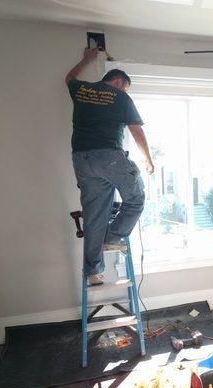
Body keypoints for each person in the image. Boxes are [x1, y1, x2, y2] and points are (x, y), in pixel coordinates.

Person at [66, 48, 154, 285]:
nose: (124, 91)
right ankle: (111, 237)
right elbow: (136, 130)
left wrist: (85, 59)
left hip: (81, 159)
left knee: (94, 216)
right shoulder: (121, 97)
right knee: (136, 198)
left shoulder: (82, 89)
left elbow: (69, 78)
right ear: (118, 81)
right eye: (124, 87)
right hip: (109, 157)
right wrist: (148, 158)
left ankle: (94, 272)